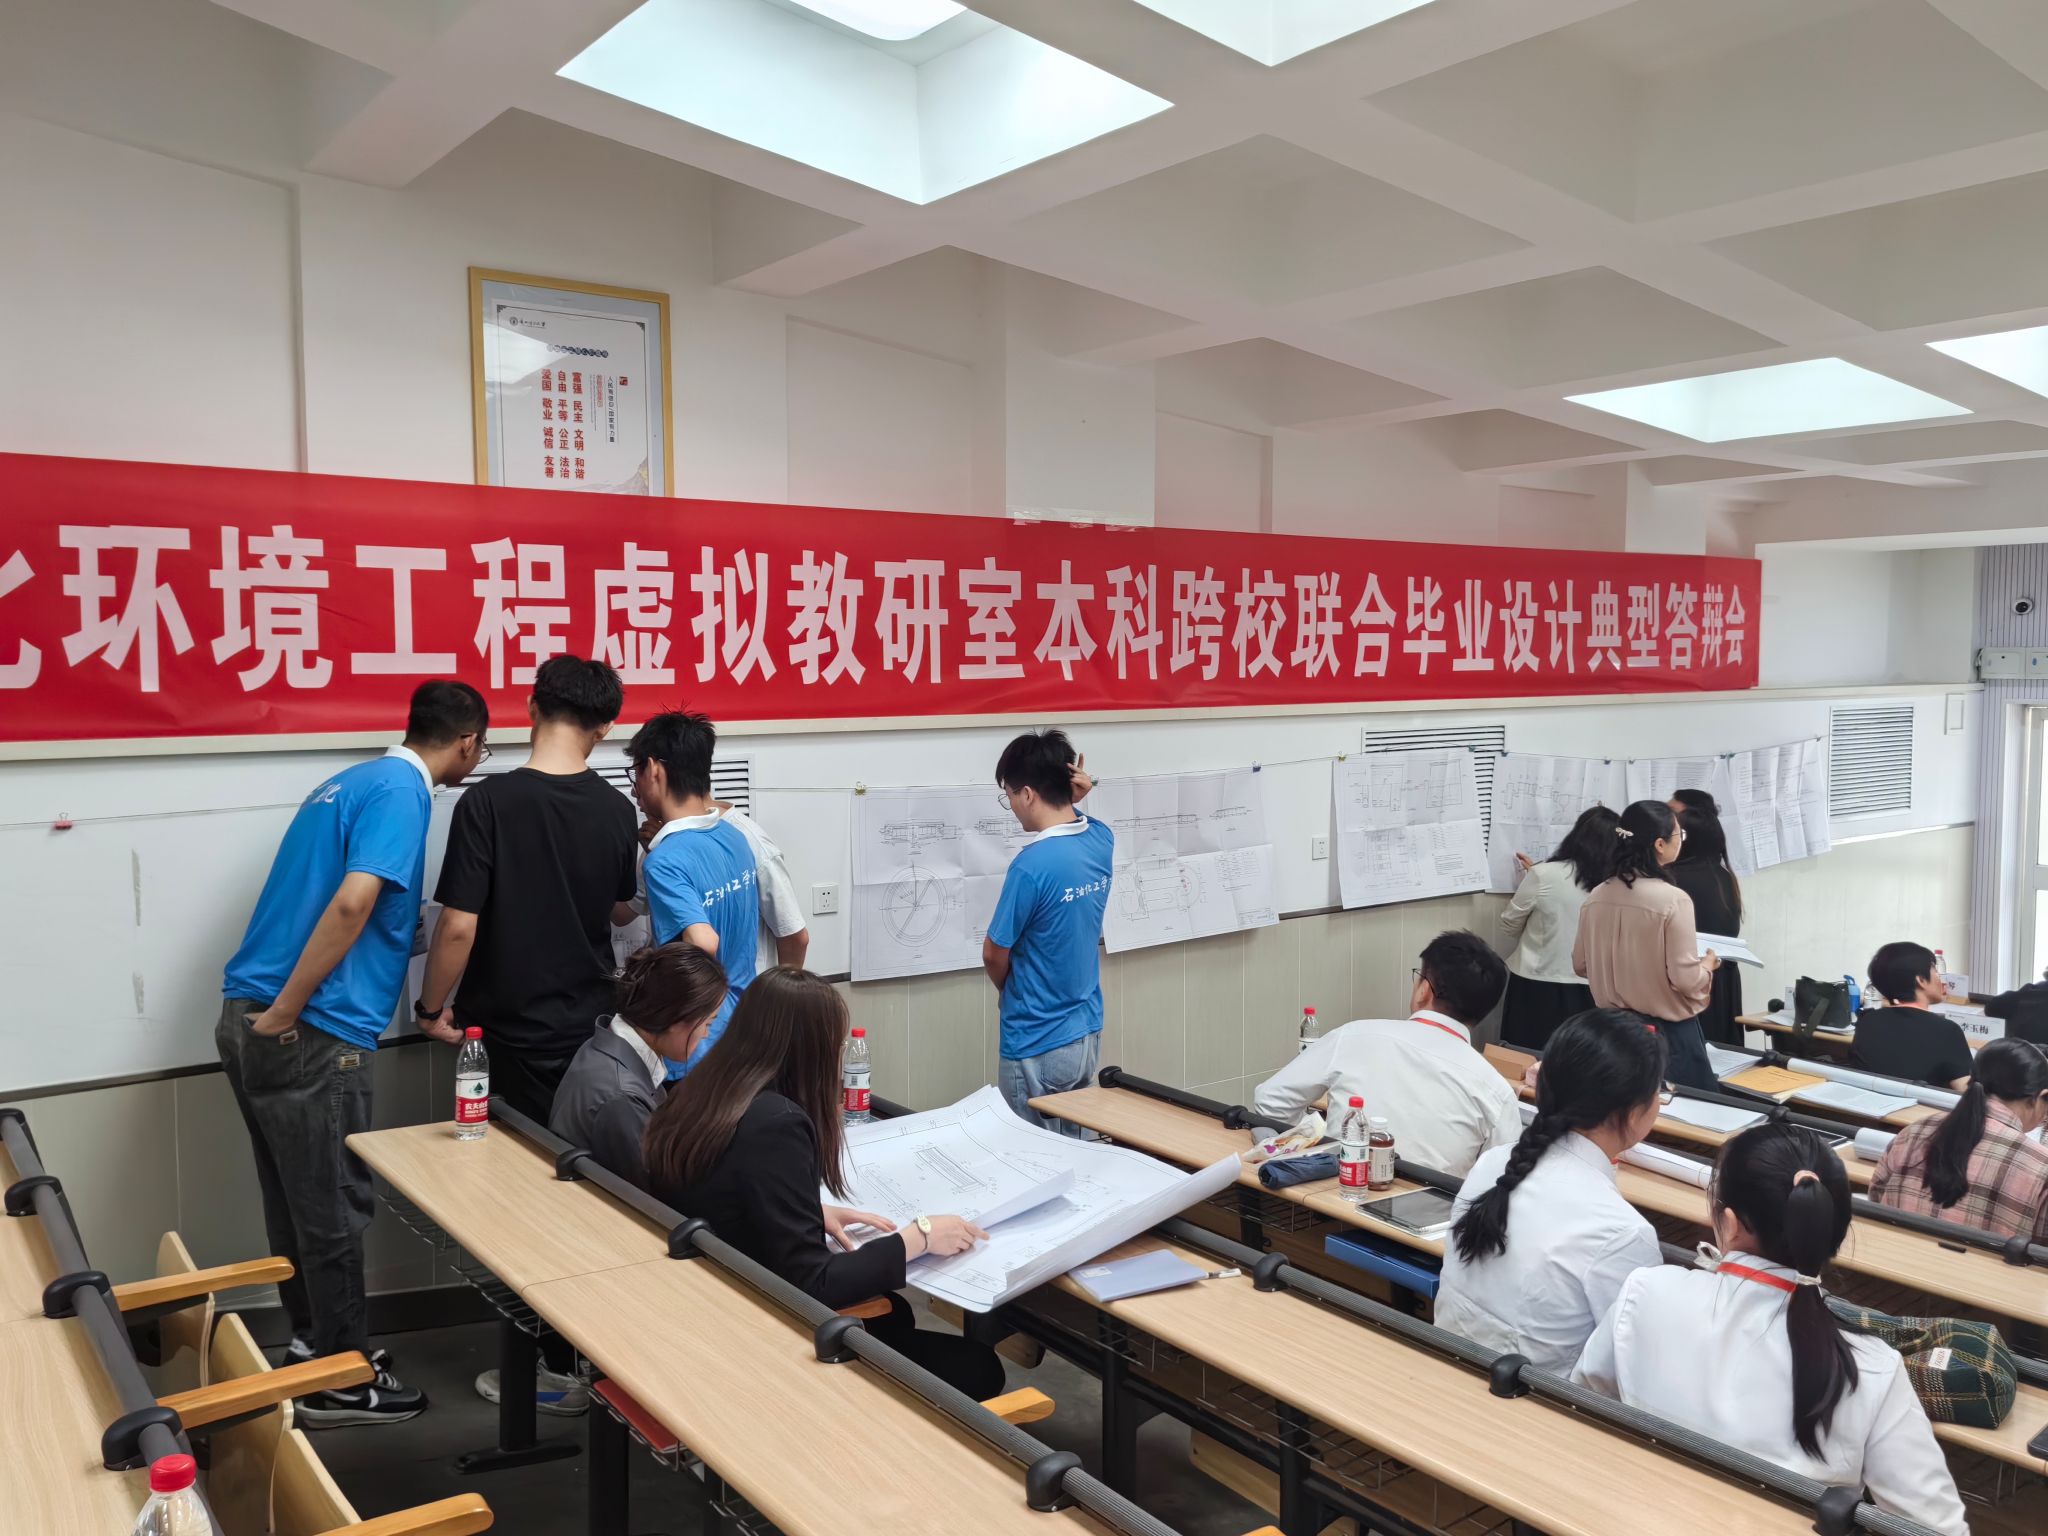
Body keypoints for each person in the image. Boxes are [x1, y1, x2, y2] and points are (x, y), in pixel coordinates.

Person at [217, 680, 488, 1426]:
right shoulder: (404, 793)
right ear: (467, 743)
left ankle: (317, 1349)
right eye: (482, 750)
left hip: (251, 1015)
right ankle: (340, 1381)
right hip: (310, 1027)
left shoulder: (347, 783)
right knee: (334, 1209)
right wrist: (290, 1008)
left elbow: (357, 907)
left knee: (296, 1203)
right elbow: (351, 902)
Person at [1574, 1124, 1968, 1535]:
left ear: (1729, 1224)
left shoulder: (1646, 1292)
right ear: (1831, 1233)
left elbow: (1581, 1405)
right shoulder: (1871, 1367)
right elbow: (1935, 1527)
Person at [640, 968, 1005, 1399]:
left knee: (896, 1313)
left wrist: (809, 1211)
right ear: (811, 1049)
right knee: (980, 1368)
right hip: (763, 1329)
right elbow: (812, 1282)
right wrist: (919, 1238)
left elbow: (729, 1191)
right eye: (837, 1044)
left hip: (708, 1296)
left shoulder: (700, 1089)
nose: (840, 1055)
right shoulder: (777, 1123)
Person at [418, 655, 639, 1121]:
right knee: (580, 1155)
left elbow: (457, 926)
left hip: (504, 1033)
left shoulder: (486, 801)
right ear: (604, 728)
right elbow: (619, 906)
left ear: (532, 707)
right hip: (589, 1029)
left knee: (505, 1158)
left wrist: (430, 1008)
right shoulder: (619, 810)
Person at [1434, 1010, 1666, 1372]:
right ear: (1635, 1114)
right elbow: (1635, 1368)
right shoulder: (1624, 1233)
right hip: (1533, 1402)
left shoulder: (1494, 1163)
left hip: (1445, 1368)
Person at [1252, 931, 1517, 1177]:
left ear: (1424, 990)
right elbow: (1501, 1178)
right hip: (1429, 1209)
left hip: (1335, 1194)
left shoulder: (1355, 1035)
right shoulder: (1496, 1091)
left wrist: (1320, 1142)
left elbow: (1271, 1100)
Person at [618, 710, 764, 1079]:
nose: (634, 789)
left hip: (693, 1047)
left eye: (635, 773)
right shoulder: (735, 837)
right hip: (741, 1030)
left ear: (654, 769)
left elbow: (703, 941)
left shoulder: (665, 861)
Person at [984, 730, 1113, 1133]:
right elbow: (1082, 822)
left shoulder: (1031, 866)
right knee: (1075, 1148)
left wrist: (1011, 991)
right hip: (1085, 1031)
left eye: (1009, 795)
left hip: (1036, 1037)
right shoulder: (1101, 840)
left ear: (1027, 794)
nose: (1011, 806)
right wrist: (1077, 798)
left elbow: (994, 953)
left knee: (1030, 1155)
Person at [550, 942, 728, 1182]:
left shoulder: (601, 1044)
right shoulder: (622, 1097)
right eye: (707, 1023)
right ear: (678, 1020)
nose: (706, 1034)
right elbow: (650, 1189)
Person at [1573, 800, 1719, 1091]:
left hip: (1611, 1031)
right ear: (1660, 845)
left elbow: (1580, 965)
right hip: (1666, 1036)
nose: (1681, 841)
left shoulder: (1597, 895)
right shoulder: (1673, 900)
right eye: (1679, 835)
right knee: (1682, 1113)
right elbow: (1685, 979)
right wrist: (1707, 966)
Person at [1870, 1038, 2048, 1244]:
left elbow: (1876, 1200)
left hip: (1897, 1256)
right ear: (2040, 1096)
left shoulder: (1913, 1131)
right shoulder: (2040, 1165)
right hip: (1983, 1266)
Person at [1498, 807, 1613, 1050]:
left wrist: (1535, 882)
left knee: (1526, 1058)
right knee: (1579, 1058)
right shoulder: (1620, 884)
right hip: (1593, 989)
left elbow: (1508, 924)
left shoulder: (1544, 875)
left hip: (1535, 984)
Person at [1667, 791, 1745, 1048]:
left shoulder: (1672, 879)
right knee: (1719, 1052)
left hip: (1691, 981)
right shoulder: (1723, 876)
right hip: (1721, 982)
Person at [1852, 942, 1974, 1090]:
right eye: (1935, 971)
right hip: (1923, 1104)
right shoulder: (1947, 1031)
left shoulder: (1867, 1022)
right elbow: (1966, 1092)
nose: (1941, 980)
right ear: (1920, 980)